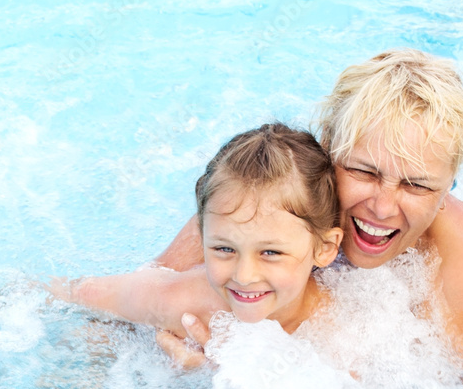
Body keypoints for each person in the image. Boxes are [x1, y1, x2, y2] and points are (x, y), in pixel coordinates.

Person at [153, 49, 463, 370]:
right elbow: (125, 318)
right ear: (327, 145)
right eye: (364, 171)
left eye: (416, 185)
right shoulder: (263, 200)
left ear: (449, 184)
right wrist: (180, 361)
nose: (382, 208)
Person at [52, 121, 344, 356]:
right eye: (224, 248)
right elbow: (80, 295)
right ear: (202, 234)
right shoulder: (189, 303)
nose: (243, 276)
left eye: (270, 253)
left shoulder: (337, 334)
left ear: (325, 248)